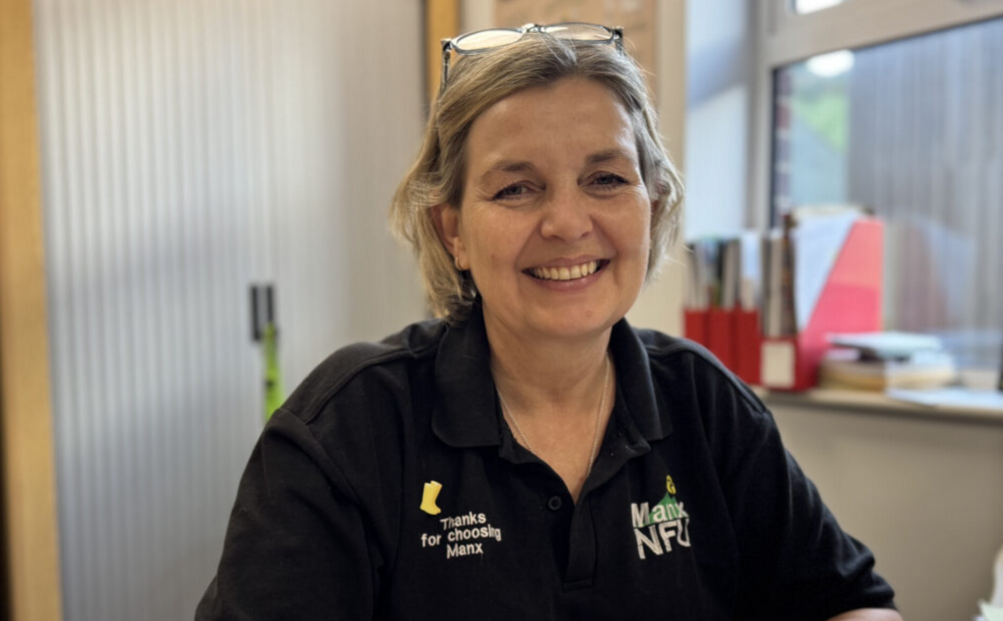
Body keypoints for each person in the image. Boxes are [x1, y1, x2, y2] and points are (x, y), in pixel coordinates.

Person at [196, 23, 900, 620]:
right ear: (454, 233)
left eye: (605, 179)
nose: (567, 223)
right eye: (516, 187)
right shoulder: (348, 430)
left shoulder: (707, 406)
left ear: (650, 203)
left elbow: (850, 600)